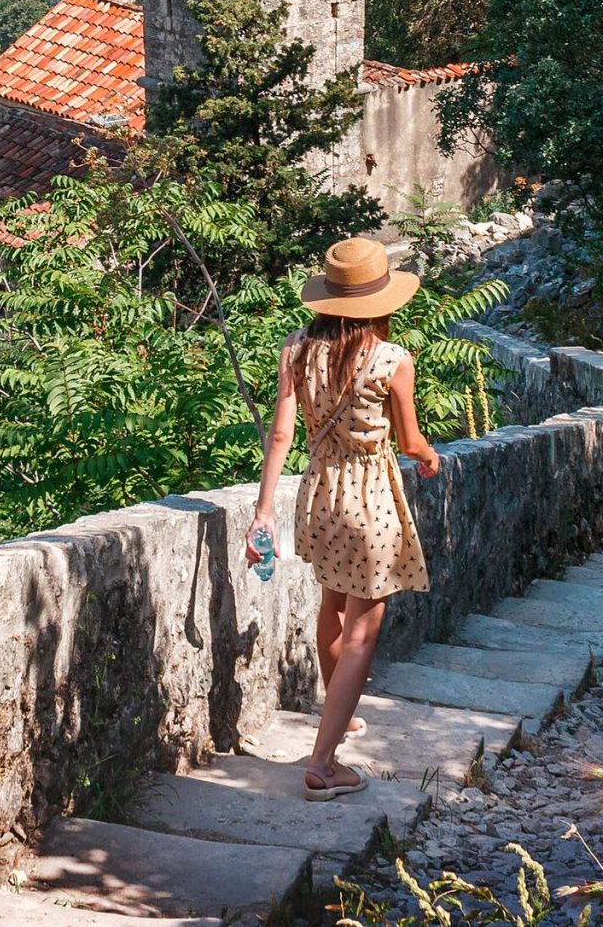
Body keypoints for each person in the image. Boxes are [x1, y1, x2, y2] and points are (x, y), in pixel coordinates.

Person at [249, 236, 442, 802]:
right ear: (381, 301)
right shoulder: (392, 360)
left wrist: (264, 512)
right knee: (363, 630)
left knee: (331, 607)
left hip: (320, 495)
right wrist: (429, 458)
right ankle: (322, 764)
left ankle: (339, 710)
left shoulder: (296, 351)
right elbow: (409, 441)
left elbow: (281, 435)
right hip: (370, 498)